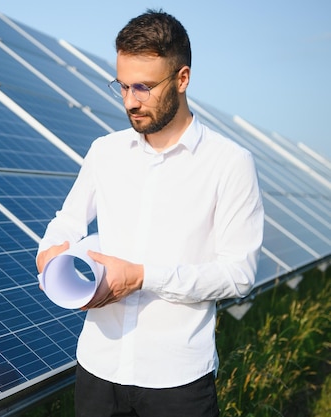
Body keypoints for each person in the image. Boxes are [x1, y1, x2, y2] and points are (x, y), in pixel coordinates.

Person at [36, 9, 264, 417]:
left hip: (176, 383)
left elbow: (238, 274)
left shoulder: (229, 163)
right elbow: (67, 221)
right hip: (97, 369)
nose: (129, 101)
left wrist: (144, 277)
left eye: (143, 87)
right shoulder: (104, 152)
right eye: (121, 86)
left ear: (182, 78)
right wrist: (50, 250)